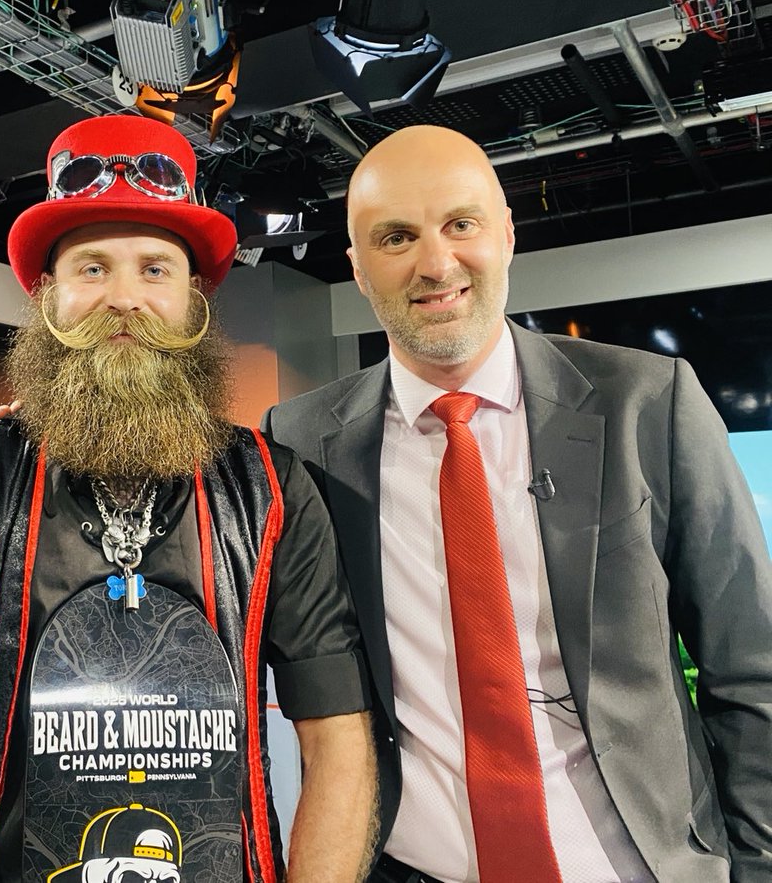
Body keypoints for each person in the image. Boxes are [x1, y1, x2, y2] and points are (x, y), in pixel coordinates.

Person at [264, 124, 772, 882]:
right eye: (395, 237)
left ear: (505, 234)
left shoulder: (647, 401)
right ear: (359, 271)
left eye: (460, 224)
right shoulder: (299, 439)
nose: (435, 264)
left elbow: (750, 665)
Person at [0, 114, 377, 883]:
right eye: (91, 269)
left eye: (154, 269)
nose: (124, 298)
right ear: (47, 295)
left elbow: (336, 734)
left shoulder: (275, 491)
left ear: (193, 301)